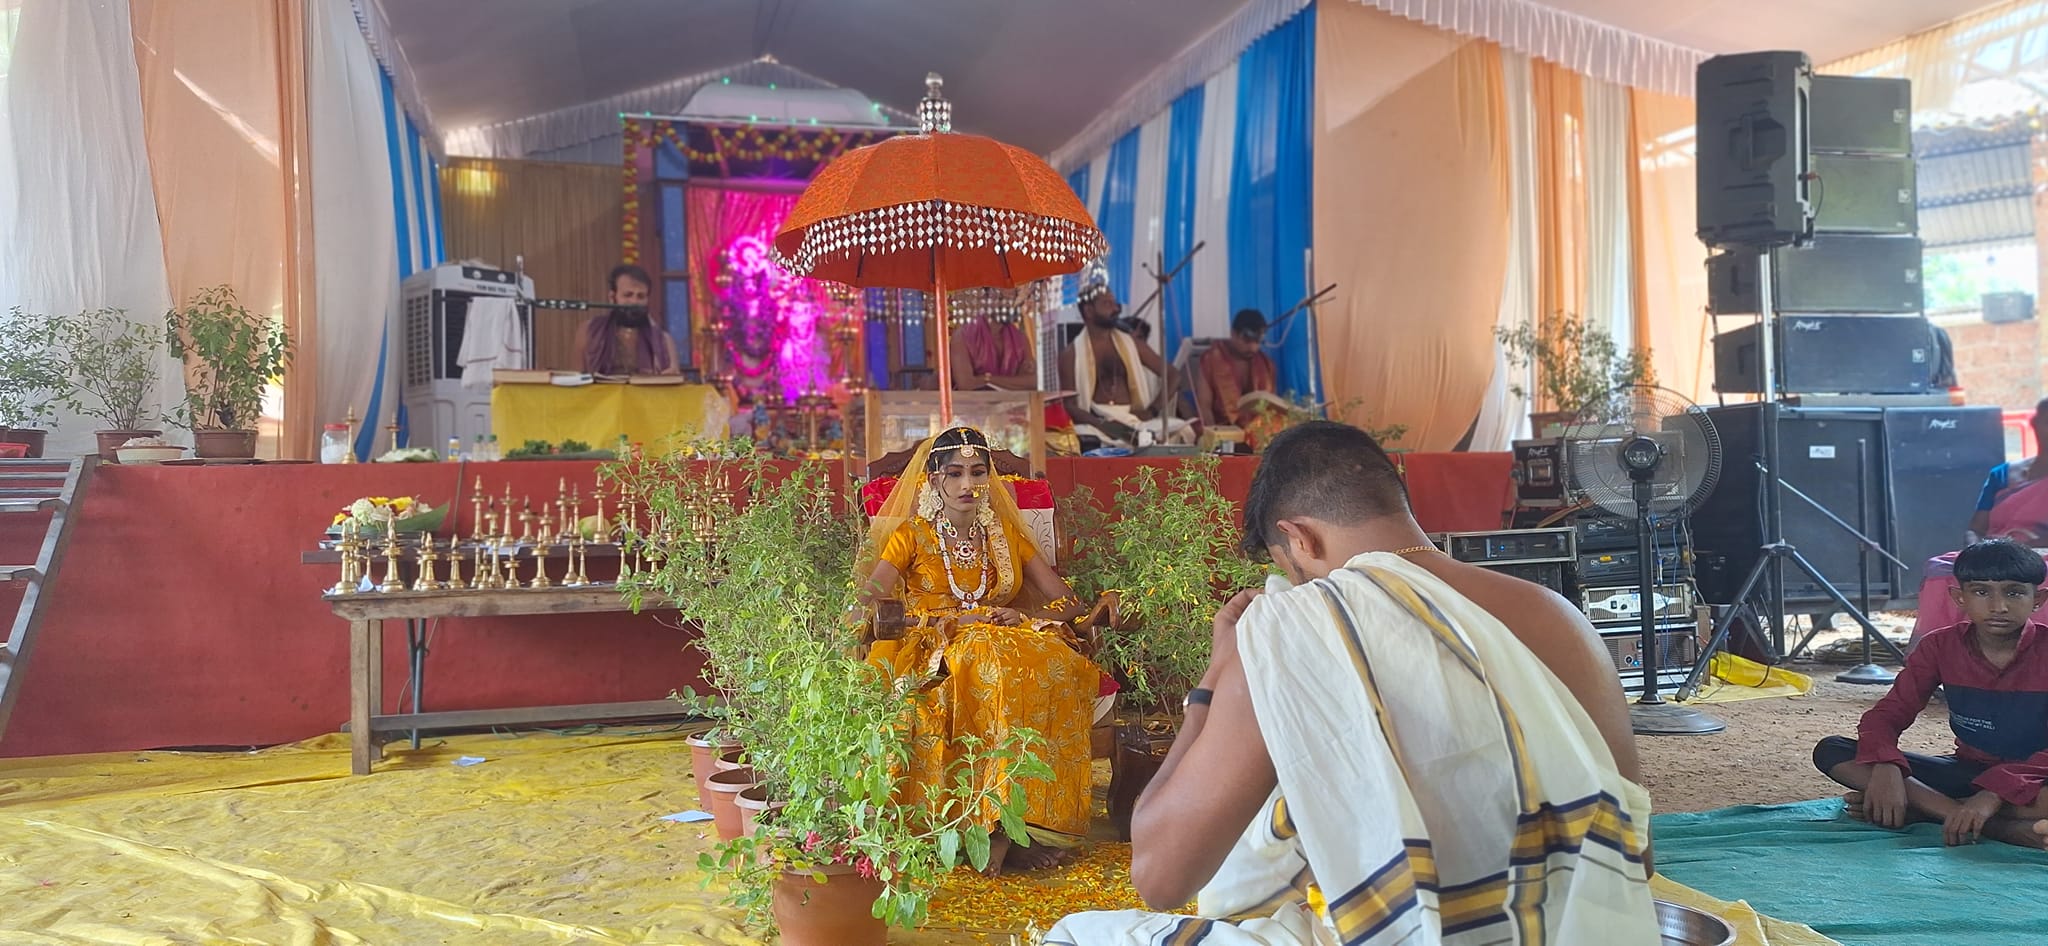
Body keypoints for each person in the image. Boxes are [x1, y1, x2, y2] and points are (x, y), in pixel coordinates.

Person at [1048, 421, 1657, 945]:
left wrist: (1217, 675)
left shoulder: (1302, 627)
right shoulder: (1563, 620)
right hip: (1571, 930)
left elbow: (1160, 876)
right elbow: (1637, 854)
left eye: (1285, 568)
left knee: (1075, 934)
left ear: (1299, 539)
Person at [859, 425, 1103, 874]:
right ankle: (982, 826)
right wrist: (939, 620)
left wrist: (1026, 618)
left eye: (977, 472)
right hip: (932, 641)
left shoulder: (1006, 536)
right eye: (955, 474)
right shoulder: (911, 536)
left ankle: (1025, 826)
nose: (968, 485)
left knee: (1059, 663)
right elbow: (871, 600)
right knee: (985, 660)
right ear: (934, 481)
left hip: (999, 637)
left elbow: (1068, 603)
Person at [1814, 538, 2048, 849]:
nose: (1998, 606)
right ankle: (1997, 829)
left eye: (2014, 592)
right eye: (1981, 592)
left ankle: (1926, 810)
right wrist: (1888, 766)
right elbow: (1888, 714)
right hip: (1967, 772)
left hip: (2035, 776)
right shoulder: (1939, 646)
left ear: (2039, 599)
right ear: (1958, 597)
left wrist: (1994, 793)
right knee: (1833, 750)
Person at [1910, 398, 2048, 644]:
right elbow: (1975, 528)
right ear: (2035, 424)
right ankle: (1936, 653)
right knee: (1940, 568)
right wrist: (1975, 551)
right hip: (1993, 553)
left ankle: (2031, 653)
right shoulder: (2003, 475)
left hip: (2040, 556)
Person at [1057, 260, 1193, 448]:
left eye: (1114, 303)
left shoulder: (1132, 344)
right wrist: (1103, 425)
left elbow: (1173, 375)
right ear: (1088, 311)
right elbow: (1070, 405)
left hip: (1134, 421)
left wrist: (1152, 410)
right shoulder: (1070, 354)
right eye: (1107, 304)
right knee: (1080, 435)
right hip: (1097, 426)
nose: (1115, 309)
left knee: (1182, 430)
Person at [575, 264, 679, 376]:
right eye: (628, 295)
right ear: (612, 297)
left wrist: (672, 377)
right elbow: (576, 381)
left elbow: (675, 379)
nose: (634, 301)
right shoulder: (588, 331)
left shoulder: (664, 340)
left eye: (640, 296)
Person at [1198, 308, 1280, 427]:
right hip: (1222, 432)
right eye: (1247, 341)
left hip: (1258, 435)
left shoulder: (1267, 365)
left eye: (1257, 341)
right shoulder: (1211, 360)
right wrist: (1215, 438)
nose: (1252, 347)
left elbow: (1272, 409)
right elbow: (1204, 407)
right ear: (1233, 334)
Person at [950, 310, 1037, 391]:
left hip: (1016, 404)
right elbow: (966, 384)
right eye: (1002, 298)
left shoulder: (1020, 338)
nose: (1011, 304)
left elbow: (1034, 381)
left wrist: (987, 379)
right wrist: (1017, 382)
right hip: (973, 405)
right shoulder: (962, 336)